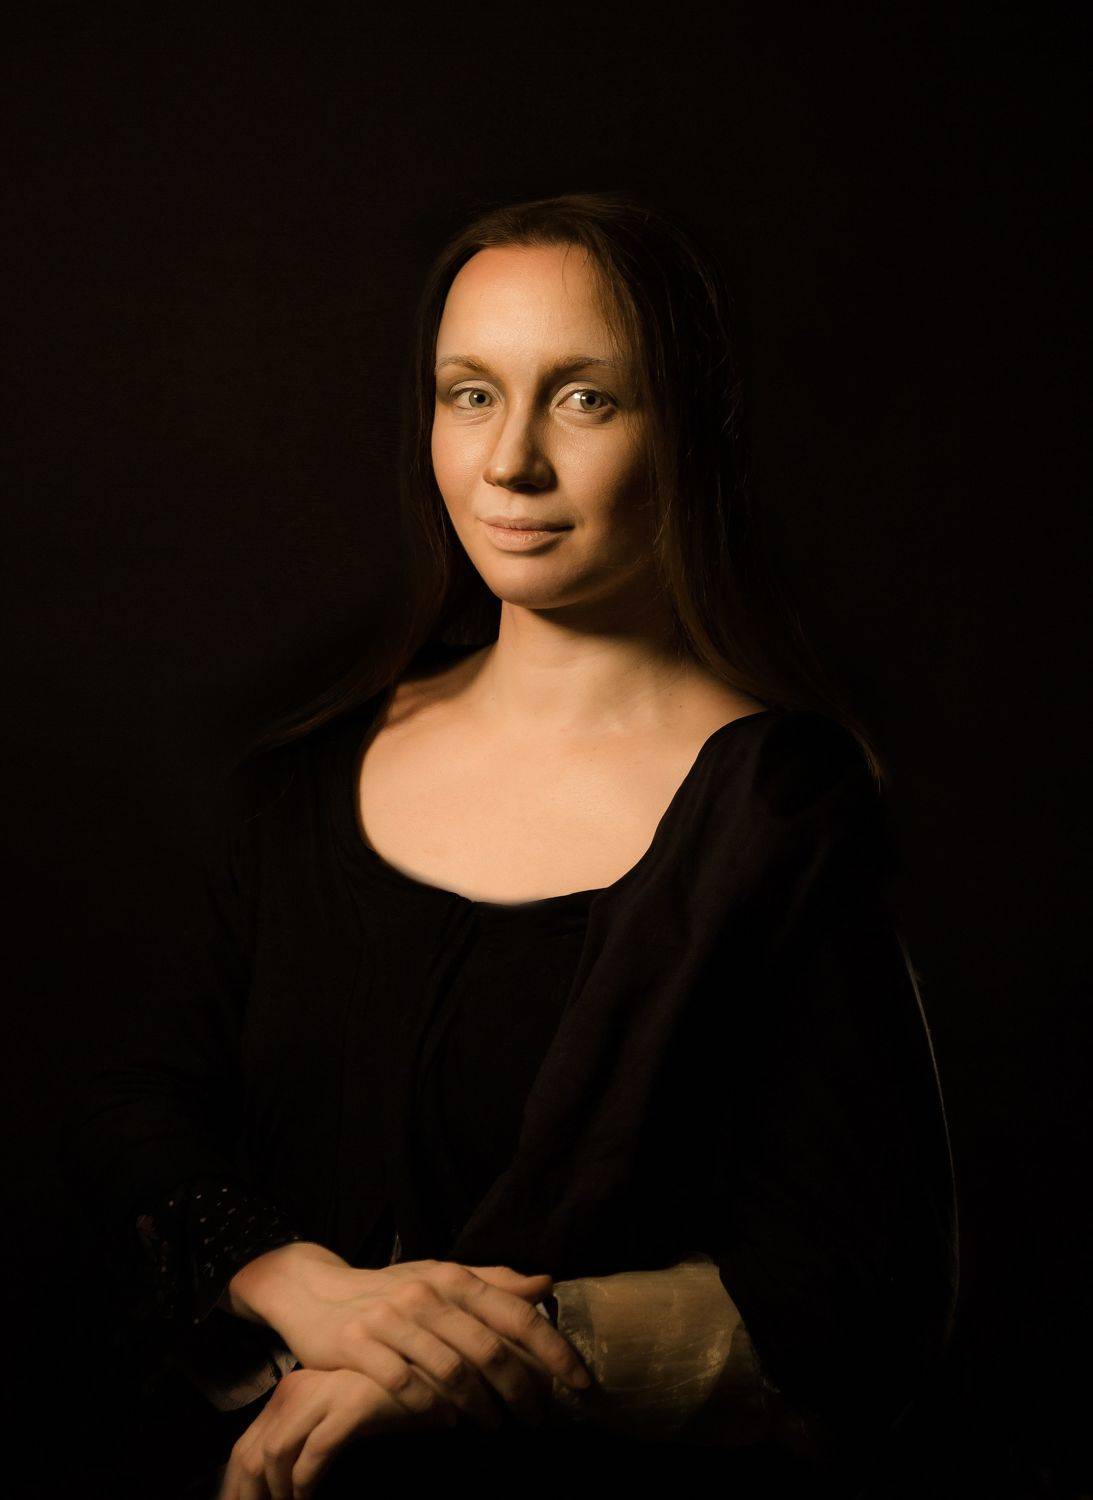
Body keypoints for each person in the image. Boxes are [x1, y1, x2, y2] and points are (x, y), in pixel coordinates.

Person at [60, 191, 959, 1499]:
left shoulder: (780, 811)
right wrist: (294, 1284)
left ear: (688, 425)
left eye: (585, 399)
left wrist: (426, 1364)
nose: (510, 463)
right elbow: (135, 1110)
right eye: (470, 395)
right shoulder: (304, 776)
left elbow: (856, 1292)